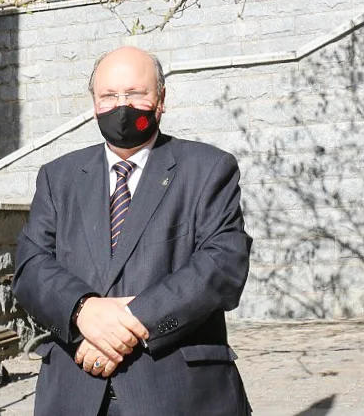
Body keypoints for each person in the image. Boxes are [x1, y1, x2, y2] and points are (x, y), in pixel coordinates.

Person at [13, 46, 251, 416]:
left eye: (135, 93)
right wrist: (82, 311)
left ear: (161, 99)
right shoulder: (58, 177)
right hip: (74, 390)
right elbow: (31, 266)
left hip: (179, 393)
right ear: (94, 103)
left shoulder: (209, 169)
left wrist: (132, 321)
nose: (121, 106)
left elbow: (222, 265)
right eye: (109, 96)